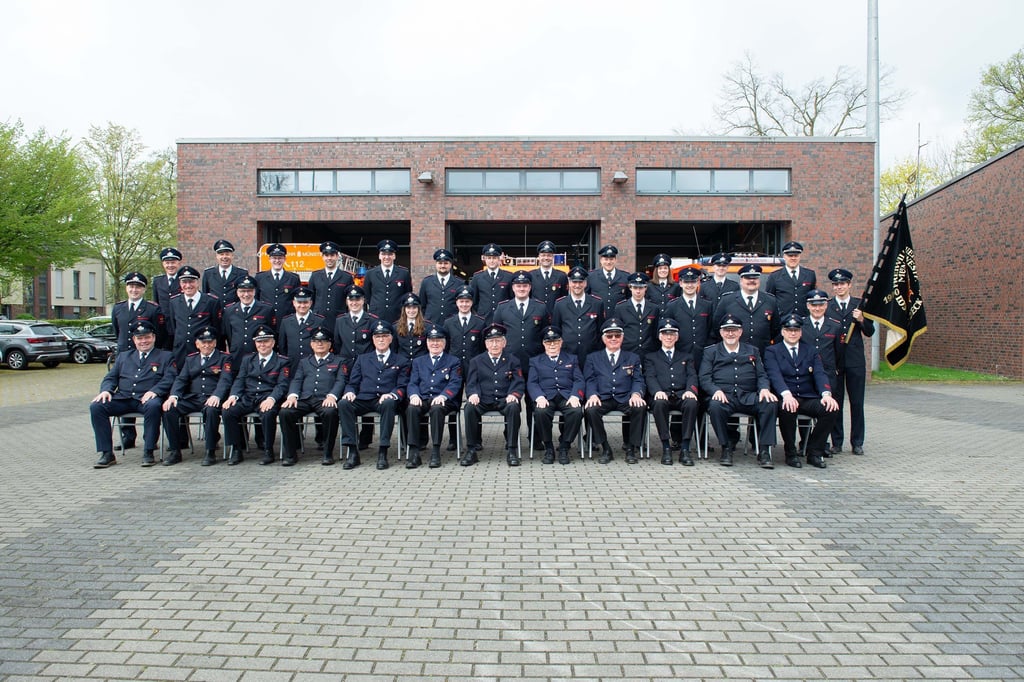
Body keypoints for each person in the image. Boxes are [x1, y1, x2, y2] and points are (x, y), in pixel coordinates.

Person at [89, 321, 177, 469]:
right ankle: (107, 453)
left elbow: (170, 378)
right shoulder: (124, 356)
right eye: (140, 338)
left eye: (147, 337)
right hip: (123, 398)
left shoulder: (165, 356)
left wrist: (155, 391)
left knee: (154, 406)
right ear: (134, 340)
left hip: (147, 399)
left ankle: (148, 451)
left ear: (154, 337)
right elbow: (111, 377)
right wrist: (106, 390)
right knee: (97, 407)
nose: (144, 341)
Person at [699, 315, 778, 468]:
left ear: (740, 332)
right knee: (715, 407)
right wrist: (715, 390)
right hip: (724, 397)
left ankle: (764, 450)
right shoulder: (711, 352)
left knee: (770, 403)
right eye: (727, 331)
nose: (730, 334)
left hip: (748, 396)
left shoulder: (752, 351)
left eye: (734, 330)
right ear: (721, 333)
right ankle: (726, 447)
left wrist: (764, 389)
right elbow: (704, 377)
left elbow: (761, 374)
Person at [764, 313, 840, 469]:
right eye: (789, 330)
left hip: (807, 396)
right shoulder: (773, 351)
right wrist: (786, 395)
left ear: (801, 332)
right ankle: (790, 453)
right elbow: (774, 375)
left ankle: (814, 451)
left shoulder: (810, 350)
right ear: (783, 332)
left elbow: (819, 373)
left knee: (830, 408)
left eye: (796, 330)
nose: (793, 333)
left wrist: (826, 394)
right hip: (786, 396)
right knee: (788, 409)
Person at [339, 320, 411, 470]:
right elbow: (353, 383)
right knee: (344, 404)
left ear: (391, 338)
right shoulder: (363, 359)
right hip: (364, 398)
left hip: (385, 401)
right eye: (378, 337)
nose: (381, 340)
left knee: (389, 403)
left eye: (385, 336)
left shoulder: (401, 360)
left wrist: (392, 394)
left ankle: (383, 452)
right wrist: (350, 392)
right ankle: (352, 451)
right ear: (373, 339)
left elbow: (403, 386)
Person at [491, 270, 548, 447]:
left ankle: (536, 438)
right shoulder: (502, 307)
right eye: (518, 285)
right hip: (509, 362)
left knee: (534, 402)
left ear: (530, 287)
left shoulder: (540, 307)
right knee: (510, 400)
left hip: (534, 362)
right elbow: (497, 334)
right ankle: (511, 437)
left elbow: (545, 334)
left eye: (525, 285)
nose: (521, 288)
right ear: (513, 287)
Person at [161, 327, 234, 466]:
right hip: (193, 398)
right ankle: (175, 451)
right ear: (197, 344)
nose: (206, 345)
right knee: (169, 409)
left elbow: (225, 380)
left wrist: (217, 396)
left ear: (215, 343)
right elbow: (181, 379)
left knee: (211, 410)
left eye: (210, 342)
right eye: (203, 342)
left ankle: (210, 451)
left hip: (212, 397)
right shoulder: (190, 359)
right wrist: (173, 396)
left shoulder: (224, 358)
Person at [110, 271, 167, 449]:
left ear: (144, 289)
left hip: (148, 357)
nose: (134, 289)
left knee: (149, 397)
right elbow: (117, 332)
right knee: (125, 392)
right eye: (131, 286)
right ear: (126, 288)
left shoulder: (152, 309)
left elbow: (160, 332)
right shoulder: (118, 308)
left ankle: (150, 439)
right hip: (125, 358)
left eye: (138, 286)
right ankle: (128, 437)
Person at [221, 325, 291, 465]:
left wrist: (272, 399)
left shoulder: (282, 361)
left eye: (265, 341)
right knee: (228, 411)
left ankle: (268, 450)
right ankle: (236, 449)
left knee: (268, 413)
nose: (262, 345)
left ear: (273, 342)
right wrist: (233, 396)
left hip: (268, 397)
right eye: (259, 342)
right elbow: (240, 380)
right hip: (249, 397)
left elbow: (282, 385)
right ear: (255, 343)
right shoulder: (248, 360)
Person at [278, 326, 346, 466]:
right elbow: (297, 380)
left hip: (324, 399)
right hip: (305, 398)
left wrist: (333, 396)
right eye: (316, 341)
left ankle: (327, 453)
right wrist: (292, 396)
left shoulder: (338, 361)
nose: (319, 344)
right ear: (311, 344)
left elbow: (341, 381)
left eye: (323, 341)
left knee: (330, 412)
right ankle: (290, 454)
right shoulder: (304, 362)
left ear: (330, 344)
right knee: (285, 412)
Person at [584, 319, 647, 464]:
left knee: (640, 407)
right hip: (603, 397)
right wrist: (592, 394)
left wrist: (636, 393)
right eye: (609, 336)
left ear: (622, 338)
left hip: (625, 397)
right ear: (603, 338)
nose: (613, 339)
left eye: (617, 336)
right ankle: (605, 448)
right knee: (591, 410)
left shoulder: (632, 357)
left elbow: (638, 379)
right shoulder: (593, 358)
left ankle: (631, 448)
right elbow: (590, 379)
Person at [826, 267, 875, 456]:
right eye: (836, 284)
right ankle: (836, 441)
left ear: (849, 285)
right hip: (836, 360)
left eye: (842, 284)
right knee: (836, 403)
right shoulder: (828, 306)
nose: (839, 287)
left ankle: (857, 442)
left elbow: (870, 332)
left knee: (857, 402)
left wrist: (862, 319)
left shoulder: (859, 305)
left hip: (854, 360)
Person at [463, 323, 525, 466]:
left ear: (504, 343)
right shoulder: (476, 361)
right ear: (486, 344)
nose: (495, 344)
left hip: (504, 399)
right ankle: (471, 450)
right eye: (491, 341)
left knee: (514, 407)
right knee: (469, 408)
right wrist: (472, 394)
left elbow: (519, 381)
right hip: (483, 399)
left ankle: (512, 450)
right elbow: (471, 382)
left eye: (498, 341)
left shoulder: (513, 360)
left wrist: (514, 395)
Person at [405, 324, 462, 469]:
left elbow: (455, 383)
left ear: (444, 343)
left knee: (437, 409)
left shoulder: (453, 361)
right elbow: (413, 382)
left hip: (445, 401)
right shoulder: (418, 361)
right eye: (431, 340)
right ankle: (414, 451)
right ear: (427, 342)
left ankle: (436, 451)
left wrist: (444, 396)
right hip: (423, 398)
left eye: (438, 341)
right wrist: (414, 395)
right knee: (411, 409)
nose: (435, 343)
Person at [644, 319, 700, 466]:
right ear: (659, 336)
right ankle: (666, 447)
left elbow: (692, 376)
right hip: (662, 394)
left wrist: (690, 390)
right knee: (659, 403)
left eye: (672, 334)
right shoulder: (651, 357)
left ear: (677, 337)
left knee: (692, 403)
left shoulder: (686, 356)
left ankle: (685, 448)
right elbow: (650, 376)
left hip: (681, 394)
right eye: (665, 334)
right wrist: (656, 391)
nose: (668, 337)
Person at [527, 326, 584, 465]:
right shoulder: (536, 361)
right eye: (548, 342)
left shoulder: (572, 358)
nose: (552, 345)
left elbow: (579, 379)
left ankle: (564, 446)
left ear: (561, 342)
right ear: (543, 344)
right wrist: (539, 397)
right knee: (541, 412)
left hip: (567, 396)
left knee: (576, 412)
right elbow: (532, 382)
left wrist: (576, 395)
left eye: (555, 342)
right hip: (546, 397)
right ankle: (549, 447)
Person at [442, 286, 485, 452]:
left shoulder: (480, 322)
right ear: (456, 303)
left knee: (475, 401)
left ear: (472, 302)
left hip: (474, 369)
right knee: (453, 403)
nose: (464, 304)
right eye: (461, 301)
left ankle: (477, 438)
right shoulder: (448, 322)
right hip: (454, 369)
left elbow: (483, 348)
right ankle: (454, 438)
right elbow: (445, 346)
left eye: (467, 301)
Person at [166, 265, 222, 368]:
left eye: (191, 281)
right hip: (180, 352)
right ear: (180, 283)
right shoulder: (174, 302)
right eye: (184, 282)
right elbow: (173, 327)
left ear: (197, 282)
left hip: (202, 351)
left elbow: (217, 328)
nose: (188, 285)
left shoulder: (211, 301)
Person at [714, 264, 779, 352]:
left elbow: (775, 328)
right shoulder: (727, 300)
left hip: (762, 352)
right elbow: (717, 326)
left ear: (759, 280)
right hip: (735, 353)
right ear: (741, 280)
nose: (752, 281)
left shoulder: (770, 300)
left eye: (755, 278)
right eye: (748, 278)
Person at [551, 265, 604, 371]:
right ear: (569, 283)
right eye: (574, 282)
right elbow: (556, 329)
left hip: (591, 353)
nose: (577, 285)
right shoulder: (560, 304)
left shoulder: (597, 303)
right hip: (567, 354)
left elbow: (600, 330)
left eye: (580, 282)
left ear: (585, 283)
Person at [663, 266, 713, 367]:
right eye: (686, 282)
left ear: (698, 282)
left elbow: (710, 329)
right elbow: (668, 330)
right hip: (680, 355)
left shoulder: (707, 305)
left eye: (693, 282)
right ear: (681, 283)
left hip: (702, 355)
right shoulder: (672, 306)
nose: (690, 285)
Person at [362, 239, 412, 324]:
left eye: (390, 254)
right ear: (379, 256)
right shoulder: (370, 273)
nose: (386, 257)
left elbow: (407, 293)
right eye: (383, 254)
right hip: (376, 316)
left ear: (394, 256)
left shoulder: (404, 273)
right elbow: (367, 295)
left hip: (397, 317)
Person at [222, 275, 274, 358]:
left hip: (258, 357)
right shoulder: (229, 310)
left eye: (249, 291)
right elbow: (228, 334)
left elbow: (272, 334)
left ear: (254, 292)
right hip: (236, 357)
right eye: (242, 291)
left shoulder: (266, 310)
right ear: (237, 292)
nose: (246, 294)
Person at [277, 286, 325, 371]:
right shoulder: (286, 321)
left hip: (313, 366)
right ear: (294, 303)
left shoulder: (319, 321)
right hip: (292, 365)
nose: (302, 305)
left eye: (305, 302)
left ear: (310, 303)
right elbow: (282, 346)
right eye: (299, 302)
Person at [764, 241, 817, 318]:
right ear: (784, 256)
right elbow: (769, 299)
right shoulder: (774, 276)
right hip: (783, 321)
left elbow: (812, 297)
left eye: (796, 255)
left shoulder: (810, 275)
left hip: (804, 321)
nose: (793, 258)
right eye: (790, 255)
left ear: (800, 256)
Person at [254, 243, 301, 329]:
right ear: (269, 259)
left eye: (280, 258)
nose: (277, 261)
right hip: (265, 321)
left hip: (286, 321)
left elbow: (297, 300)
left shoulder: (293, 278)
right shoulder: (260, 277)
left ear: (285, 259)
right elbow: (256, 299)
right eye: (274, 258)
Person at [615, 272, 661, 356]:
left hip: (649, 353)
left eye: (641, 288)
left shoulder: (654, 308)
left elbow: (655, 333)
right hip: (627, 353)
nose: (638, 291)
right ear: (630, 287)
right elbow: (618, 332)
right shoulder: (620, 308)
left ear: (646, 288)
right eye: (635, 288)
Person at [308, 240, 354, 323]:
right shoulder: (315, 276)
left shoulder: (347, 277)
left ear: (337, 256)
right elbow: (310, 297)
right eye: (326, 255)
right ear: (322, 257)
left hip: (339, 320)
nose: (329, 258)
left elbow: (351, 299)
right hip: (318, 319)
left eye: (332, 255)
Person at [469, 243, 513, 324]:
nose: (492, 261)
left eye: (494, 258)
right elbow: (474, 300)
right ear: (484, 259)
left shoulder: (508, 276)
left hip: (504, 318)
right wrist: (480, 314)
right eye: (489, 258)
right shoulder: (477, 277)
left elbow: (512, 299)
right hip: (483, 319)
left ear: (499, 259)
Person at [419, 248, 465, 324]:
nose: (443, 266)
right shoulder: (426, 282)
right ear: (436, 264)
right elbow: (422, 305)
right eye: (440, 263)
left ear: (450, 265)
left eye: (446, 263)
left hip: (453, 324)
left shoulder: (459, 283)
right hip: (431, 323)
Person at [587, 244, 629, 320]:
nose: (608, 262)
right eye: (606, 259)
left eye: (611, 259)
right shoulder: (591, 276)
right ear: (601, 260)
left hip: (619, 319)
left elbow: (629, 299)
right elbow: (586, 298)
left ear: (616, 260)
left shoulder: (625, 277)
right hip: (597, 319)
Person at [202, 239, 249, 305]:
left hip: (234, 312)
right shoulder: (208, 273)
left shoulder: (242, 273)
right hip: (215, 312)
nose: (224, 257)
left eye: (227, 254)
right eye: (221, 254)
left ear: (232, 256)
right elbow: (205, 295)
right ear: (217, 256)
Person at [152, 247, 183, 347]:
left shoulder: (185, 281)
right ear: (163, 264)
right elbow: (156, 304)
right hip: (163, 328)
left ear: (179, 263)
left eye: (173, 262)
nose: (170, 265)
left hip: (180, 326)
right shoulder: (157, 281)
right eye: (167, 263)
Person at [529, 240, 569, 315]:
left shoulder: (562, 276)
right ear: (539, 257)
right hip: (535, 316)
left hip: (555, 315)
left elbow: (564, 298)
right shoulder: (531, 275)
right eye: (543, 255)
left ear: (553, 257)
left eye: (549, 255)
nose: (546, 258)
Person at [393, 292, 429, 362]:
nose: (411, 311)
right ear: (404, 309)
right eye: (408, 308)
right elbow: (394, 350)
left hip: (421, 364)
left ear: (418, 309)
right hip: (403, 365)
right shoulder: (395, 327)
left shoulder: (427, 326)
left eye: (414, 307)